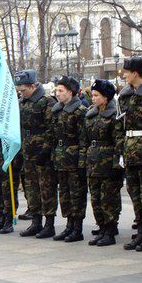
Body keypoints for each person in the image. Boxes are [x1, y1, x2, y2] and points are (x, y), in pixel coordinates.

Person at [118, 57, 142, 252]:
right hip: (131, 150)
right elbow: (122, 126)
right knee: (135, 194)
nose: (123, 74)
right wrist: (122, 152)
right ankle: (140, 232)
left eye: (126, 71)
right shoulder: (127, 95)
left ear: (135, 73)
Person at [15, 69, 58, 238]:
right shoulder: (23, 103)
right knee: (31, 189)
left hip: (42, 154)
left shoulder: (47, 102)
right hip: (27, 152)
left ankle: (49, 224)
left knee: (46, 188)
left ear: (33, 86)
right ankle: (36, 221)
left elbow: (52, 128)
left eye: (24, 90)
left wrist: (45, 150)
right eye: (19, 91)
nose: (22, 94)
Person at [83, 79, 123, 246]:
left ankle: (110, 230)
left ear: (106, 97)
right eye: (92, 95)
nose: (93, 98)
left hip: (107, 163)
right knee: (96, 198)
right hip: (93, 162)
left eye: (96, 95)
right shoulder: (91, 113)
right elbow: (85, 139)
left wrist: (116, 165)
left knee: (109, 199)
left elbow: (118, 142)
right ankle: (102, 227)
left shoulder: (114, 115)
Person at [51, 76, 88, 243]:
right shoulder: (57, 110)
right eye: (57, 90)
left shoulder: (80, 111)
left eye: (61, 91)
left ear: (71, 92)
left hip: (73, 158)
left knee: (76, 194)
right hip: (61, 157)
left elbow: (83, 139)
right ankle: (69, 225)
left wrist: (81, 162)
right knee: (64, 194)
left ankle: (77, 228)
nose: (57, 94)